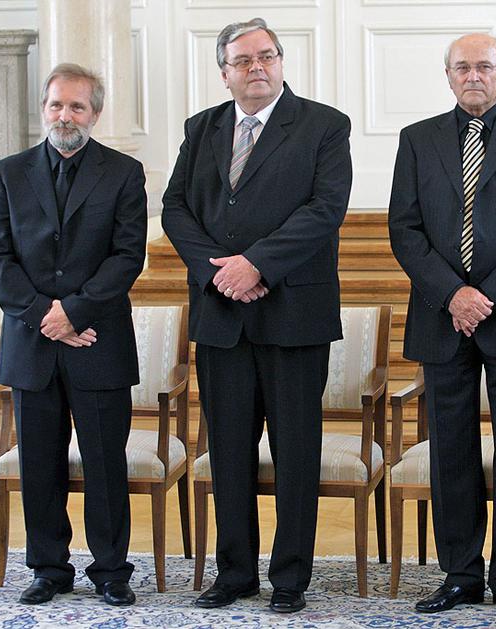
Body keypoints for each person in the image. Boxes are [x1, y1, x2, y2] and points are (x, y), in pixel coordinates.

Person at [161, 18, 351, 614]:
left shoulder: (324, 125)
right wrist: (220, 272)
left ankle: (290, 577)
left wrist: (257, 265)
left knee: (296, 452)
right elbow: (174, 209)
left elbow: (325, 209)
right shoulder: (202, 128)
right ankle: (235, 573)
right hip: (221, 314)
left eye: (266, 56)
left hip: (294, 314)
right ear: (225, 73)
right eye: (243, 60)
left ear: (281, 62)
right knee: (229, 452)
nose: (257, 67)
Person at [388, 33, 496, 617]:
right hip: (442, 316)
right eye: (462, 67)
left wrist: (485, 298)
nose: (473, 76)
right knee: (451, 450)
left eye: (484, 67)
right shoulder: (417, 140)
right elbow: (404, 229)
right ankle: (460, 574)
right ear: (447, 76)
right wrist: (454, 295)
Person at [0, 63, 147, 606]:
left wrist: (73, 313)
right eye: (57, 104)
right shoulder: (9, 173)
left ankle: (111, 571)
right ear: (44, 109)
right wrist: (44, 316)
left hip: (98, 341)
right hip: (31, 344)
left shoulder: (124, 173)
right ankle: (49, 569)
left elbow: (127, 256)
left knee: (105, 464)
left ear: (94, 113)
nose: (65, 115)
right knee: (39, 466)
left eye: (77, 106)